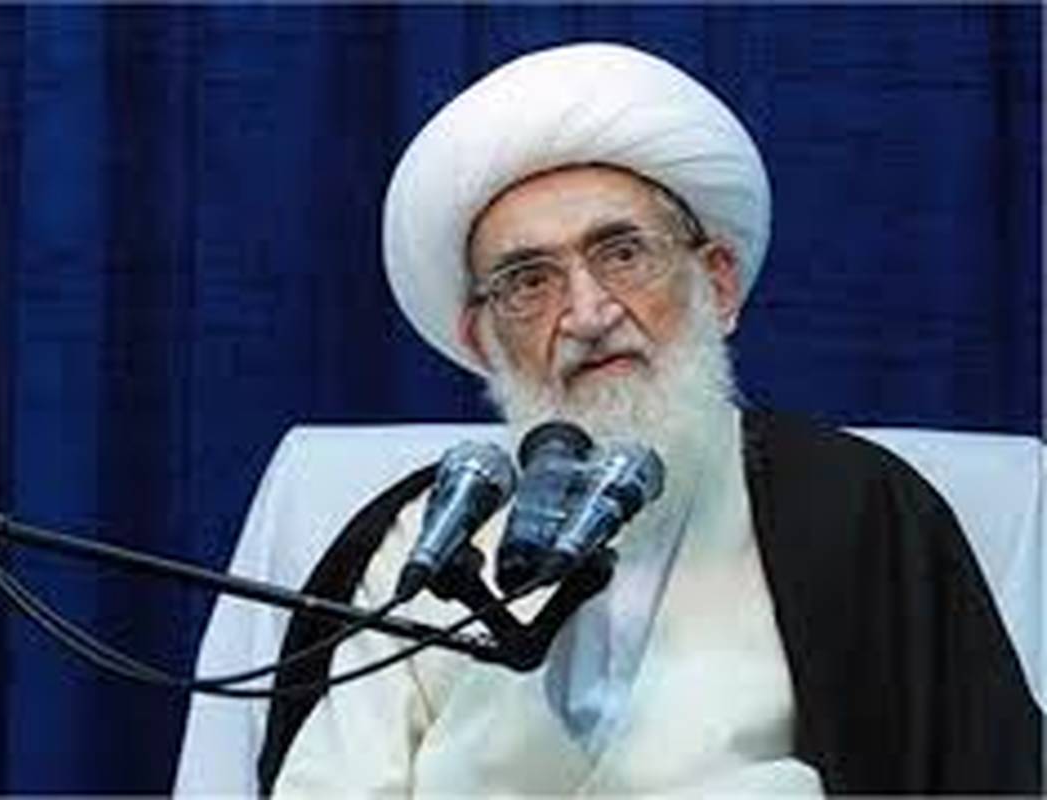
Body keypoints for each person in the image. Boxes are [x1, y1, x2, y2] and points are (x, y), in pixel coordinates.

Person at [264, 42, 1042, 795]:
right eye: (529, 281)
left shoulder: (856, 508)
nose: (588, 313)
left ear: (718, 284)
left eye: (623, 254)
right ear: (482, 341)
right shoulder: (425, 539)